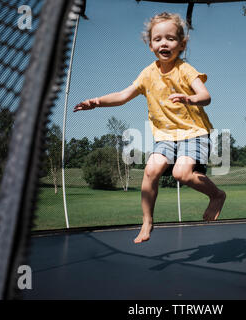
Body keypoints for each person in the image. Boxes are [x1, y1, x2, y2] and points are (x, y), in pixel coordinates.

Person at [74, 12, 226, 243]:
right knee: (151, 170)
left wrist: (190, 98)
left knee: (181, 173)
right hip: (165, 135)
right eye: (158, 39)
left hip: (193, 132)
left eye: (171, 38)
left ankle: (216, 195)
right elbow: (123, 95)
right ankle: (147, 221)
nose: (164, 43)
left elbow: (206, 96)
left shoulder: (185, 69)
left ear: (182, 44)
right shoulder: (147, 74)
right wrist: (97, 102)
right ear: (150, 45)